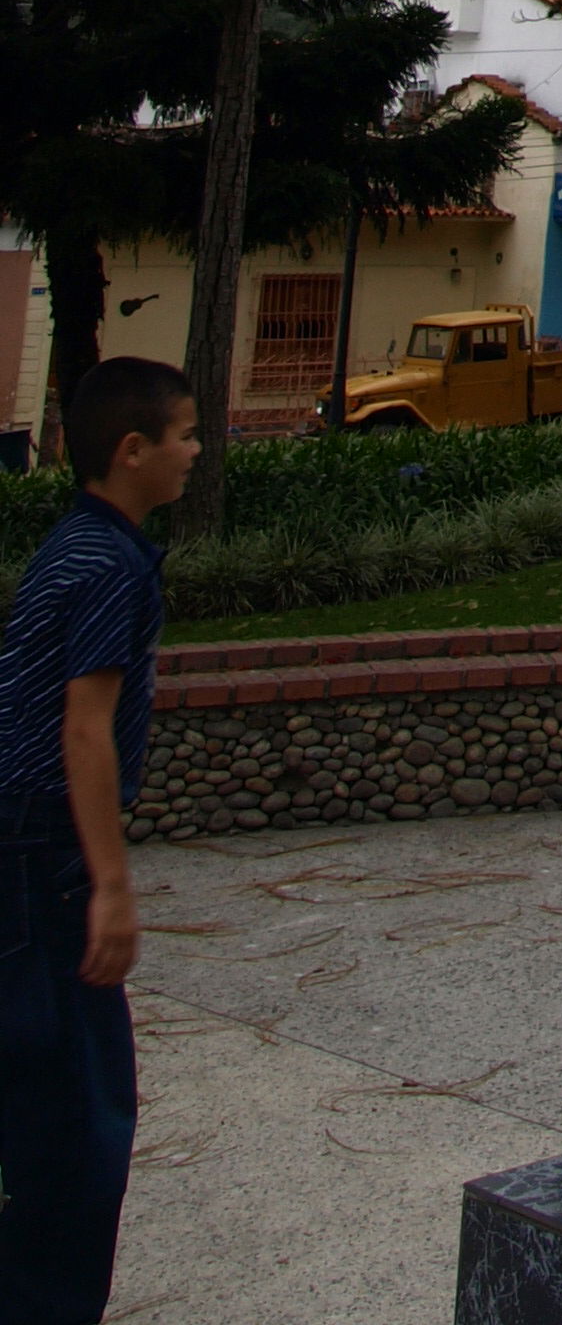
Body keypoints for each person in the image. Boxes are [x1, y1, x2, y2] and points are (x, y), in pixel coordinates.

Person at [0, 353, 199, 1323]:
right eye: (185, 435)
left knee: (44, 1117)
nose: (196, 452)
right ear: (133, 451)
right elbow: (84, 727)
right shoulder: (108, 565)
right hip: (42, 863)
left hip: (23, 854)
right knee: (75, 1130)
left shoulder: (74, 547)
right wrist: (111, 888)